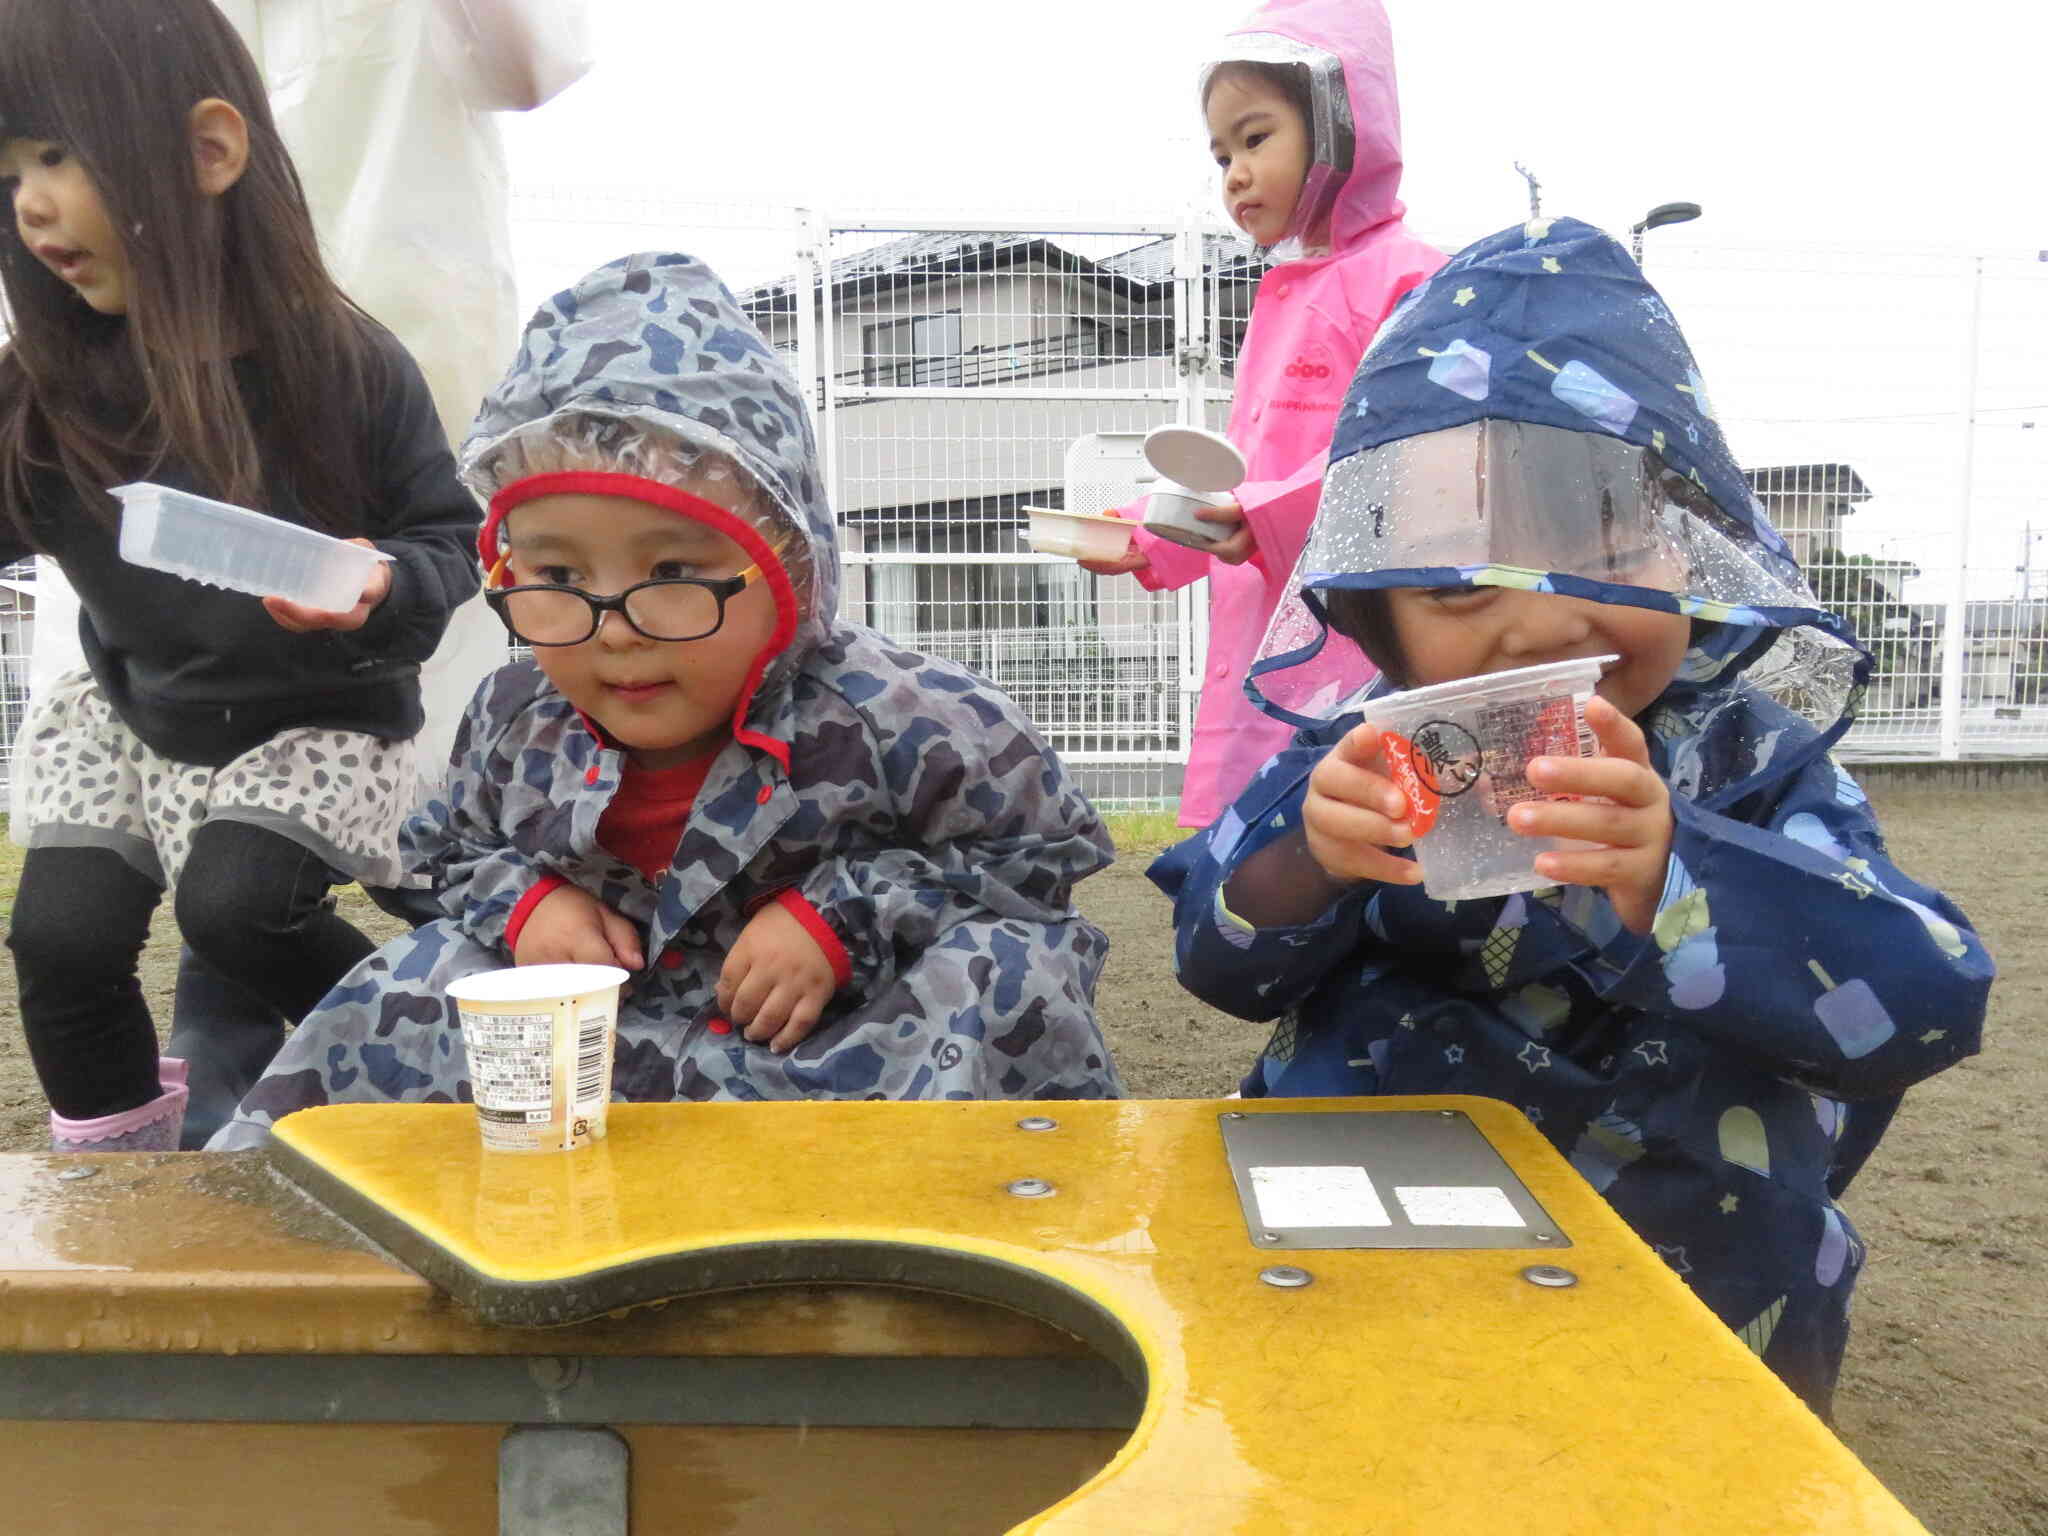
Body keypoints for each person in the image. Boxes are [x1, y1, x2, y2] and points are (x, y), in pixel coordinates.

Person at [1149, 218, 1993, 1414]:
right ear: (1376, 611)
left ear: (1692, 543)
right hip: (1367, 1233)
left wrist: (1672, 874)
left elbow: (1926, 1004)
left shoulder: (1754, 762)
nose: (1539, 619)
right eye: (1452, 578)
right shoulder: (1359, 753)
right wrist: (1309, 862)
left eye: (1598, 541)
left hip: (1691, 1259)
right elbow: (1216, 958)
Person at [209, 251, 1120, 1146]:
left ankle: (976, 1221)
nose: (614, 627)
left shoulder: (908, 713)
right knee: (416, 976)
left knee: (1006, 973)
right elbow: (448, 848)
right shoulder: (517, 715)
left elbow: (1040, 861)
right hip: (604, 1057)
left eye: (675, 570)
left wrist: (845, 912)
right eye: (558, 572)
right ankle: (297, 1220)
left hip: (842, 1060)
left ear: (789, 567)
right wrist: (524, 907)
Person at [10, 0, 590, 1147]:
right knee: (59, 936)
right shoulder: (45, 386)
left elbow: (449, 536)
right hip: (134, 708)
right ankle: (124, 1183)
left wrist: (380, 583)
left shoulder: (342, 361)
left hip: (318, 716)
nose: (29, 203)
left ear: (208, 151)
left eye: (58, 155)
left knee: (236, 908)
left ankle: (427, 1059)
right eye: (8, 168)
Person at [1080, 0, 1442, 829]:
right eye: (1220, 154)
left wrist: (1264, 515)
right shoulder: (1282, 297)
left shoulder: (1407, 278)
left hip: (1360, 634)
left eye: (1255, 138)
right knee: (1255, 848)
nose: (1234, 173)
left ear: (1341, 126)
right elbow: (1241, 474)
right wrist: (1145, 532)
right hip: (1259, 629)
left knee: (1360, 841)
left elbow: (1409, 455)